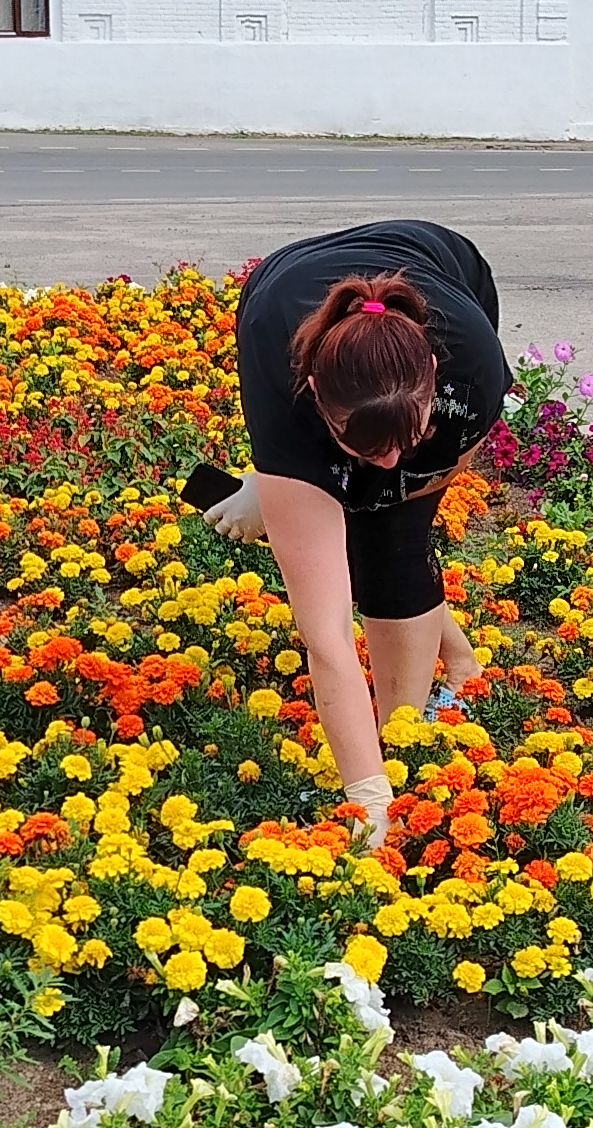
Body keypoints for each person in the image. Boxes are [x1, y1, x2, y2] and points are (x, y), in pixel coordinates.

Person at [210, 220, 513, 852]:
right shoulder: (286, 387)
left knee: (389, 539)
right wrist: (364, 795)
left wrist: (382, 484)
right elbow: (327, 644)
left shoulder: (471, 367)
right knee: (332, 546)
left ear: (432, 373)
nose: (390, 462)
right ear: (319, 398)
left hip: (445, 264)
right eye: (361, 445)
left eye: (409, 439)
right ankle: (255, 487)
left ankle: (411, 721)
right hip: (281, 294)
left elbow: (423, 468)